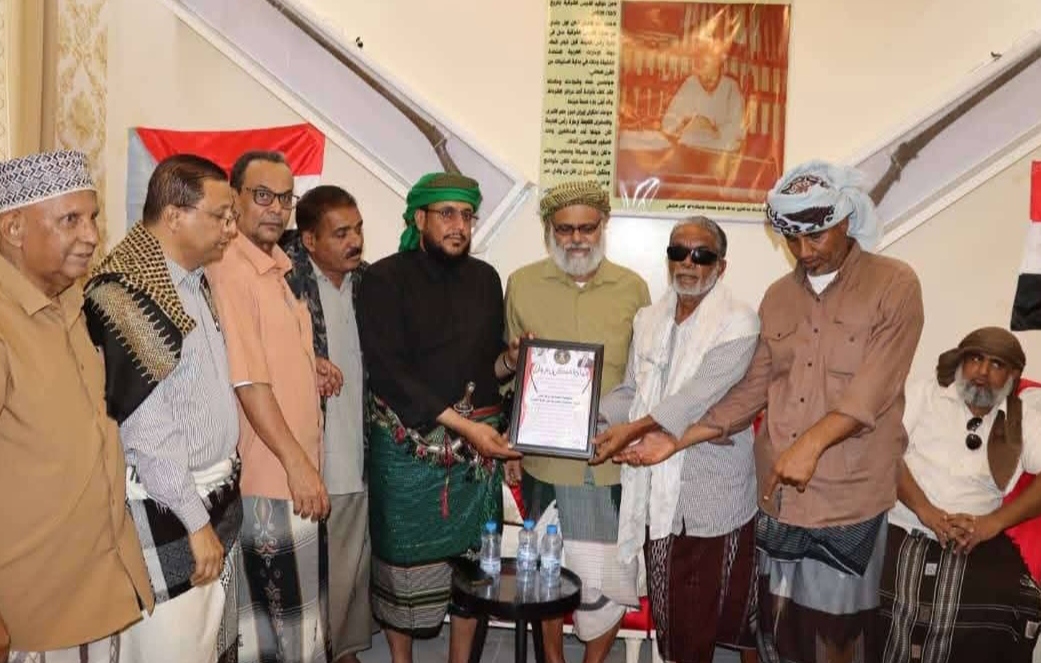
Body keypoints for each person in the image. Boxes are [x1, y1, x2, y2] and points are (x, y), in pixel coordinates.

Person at [610, 160, 925, 663]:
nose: (805, 251)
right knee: (777, 629)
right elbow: (750, 391)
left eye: (816, 235)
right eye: (792, 239)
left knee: (836, 633)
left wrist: (811, 444)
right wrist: (676, 440)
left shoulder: (894, 284)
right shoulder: (779, 297)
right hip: (776, 494)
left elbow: (873, 390)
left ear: (846, 219)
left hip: (848, 496)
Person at [83, 154, 242, 663]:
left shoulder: (193, 281)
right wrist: (195, 522)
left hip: (211, 498)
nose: (231, 229)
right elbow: (147, 431)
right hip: (167, 507)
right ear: (174, 215)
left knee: (206, 646)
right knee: (168, 648)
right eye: (221, 216)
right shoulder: (126, 293)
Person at [357, 172, 521, 663]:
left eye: (467, 215)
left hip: (473, 458)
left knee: (473, 565)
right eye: (447, 214)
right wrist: (468, 427)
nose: (459, 226)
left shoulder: (486, 279)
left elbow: (486, 368)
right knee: (402, 564)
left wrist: (511, 360)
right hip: (406, 450)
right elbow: (389, 373)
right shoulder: (384, 279)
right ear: (418, 218)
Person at [0, 150, 154, 661]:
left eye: (93, 218)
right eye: (70, 220)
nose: (91, 235)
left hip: (99, 586)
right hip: (31, 614)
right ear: (14, 228)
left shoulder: (74, 302)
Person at [592, 217, 760, 663]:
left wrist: (629, 431)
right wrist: (590, 421)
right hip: (657, 491)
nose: (688, 262)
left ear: (721, 266)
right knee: (674, 615)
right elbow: (630, 391)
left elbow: (694, 399)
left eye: (701, 254)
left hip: (710, 497)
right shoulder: (649, 319)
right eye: (677, 252)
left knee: (702, 620)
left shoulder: (739, 322)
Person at [503, 180, 650, 663]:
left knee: (610, 578)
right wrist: (513, 441)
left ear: (603, 225)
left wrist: (620, 426)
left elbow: (643, 376)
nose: (577, 239)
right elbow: (512, 375)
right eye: (565, 229)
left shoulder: (633, 288)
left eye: (587, 227)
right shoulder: (522, 283)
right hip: (544, 464)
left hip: (606, 464)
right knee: (547, 574)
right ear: (549, 229)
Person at [206, 151, 342, 663]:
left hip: (291, 476)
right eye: (262, 195)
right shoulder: (231, 269)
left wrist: (310, 367)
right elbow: (248, 382)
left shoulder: (275, 267)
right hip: (270, 481)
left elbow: (265, 356)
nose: (276, 208)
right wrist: (297, 465)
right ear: (234, 198)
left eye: (286, 198)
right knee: (279, 639)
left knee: (296, 631)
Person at [879, 327, 1041, 662]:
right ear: (961, 362)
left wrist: (991, 524)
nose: (982, 371)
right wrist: (926, 511)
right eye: (975, 359)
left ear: (1012, 375)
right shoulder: (925, 393)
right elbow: (883, 451)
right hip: (905, 525)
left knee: (994, 620)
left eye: (996, 364)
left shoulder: (1022, 416)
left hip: (974, 539)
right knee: (870, 609)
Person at [281, 184, 372, 663]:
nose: (354, 241)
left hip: (364, 442)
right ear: (310, 240)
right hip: (314, 448)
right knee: (324, 562)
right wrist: (306, 363)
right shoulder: (285, 283)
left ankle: (344, 650)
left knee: (356, 560)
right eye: (341, 233)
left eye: (357, 230)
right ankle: (323, 650)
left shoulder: (370, 284)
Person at [660, 36, 745, 152]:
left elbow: (739, 132)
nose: (705, 79)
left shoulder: (731, 88)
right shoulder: (691, 84)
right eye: (702, 74)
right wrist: (685, 126)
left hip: (721, 155)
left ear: (720, 66)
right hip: (690, 152)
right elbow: (667, 124)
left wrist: (711, 128)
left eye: (711, 75)